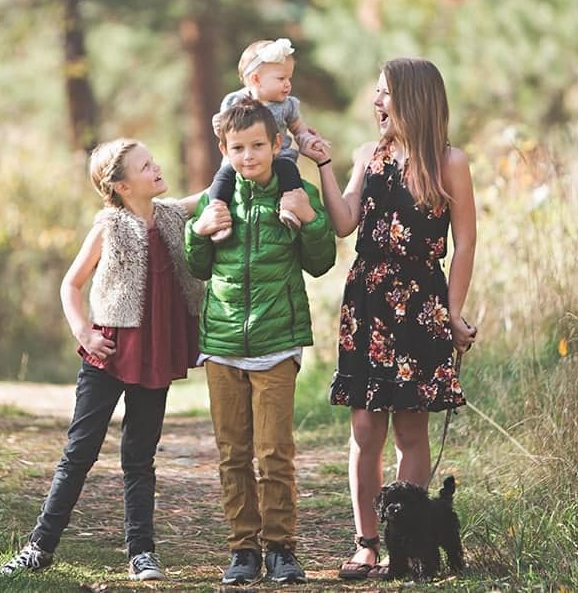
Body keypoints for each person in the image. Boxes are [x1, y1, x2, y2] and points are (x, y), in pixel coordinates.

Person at [298, 58, 478, 580]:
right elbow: (345, 221)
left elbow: (464, 241)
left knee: (411, 431)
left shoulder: (449, 162)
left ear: (414, 99)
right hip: (369, 302)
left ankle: (411, 546)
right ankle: (367, 544)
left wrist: (453, 312)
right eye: (375, 93)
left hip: (422, 304)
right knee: (364, 427)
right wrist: (324, 166)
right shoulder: (366, 156)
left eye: (384, 94)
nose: (375, 102)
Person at [0, 139, 204, 582]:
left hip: (154, 352)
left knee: (139, 455)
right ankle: (39, 546)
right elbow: (70, 285)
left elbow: (210, 193)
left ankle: (141, 552)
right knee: (80, 452)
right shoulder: (108, 227)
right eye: (147, 166)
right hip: (107, 353)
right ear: (124, 186)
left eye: (154, 160)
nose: (157, 167)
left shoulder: (170, 216)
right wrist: (84, 332)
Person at [185, 97, 336, 585]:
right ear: (224, 149)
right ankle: (243, 550)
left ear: (276, 144)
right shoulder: (217, 200)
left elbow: (320, 262)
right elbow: (198, 267)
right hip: (223, 344)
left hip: (277, 342)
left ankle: (281, 549)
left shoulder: (294, 192)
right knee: (232, 453)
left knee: (274, 453)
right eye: (237, 148)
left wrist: (309, 219)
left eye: (256, 146)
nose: (248, 156)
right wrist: (198, 232)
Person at [204, 38, 329, 242]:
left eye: (289, 78)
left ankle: (290, 208)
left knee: (289, 172)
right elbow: (226, 132)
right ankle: (218, 212)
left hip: (278, 157)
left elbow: (298, 128)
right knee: (223, 176)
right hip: (240, 160)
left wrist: (307, 137)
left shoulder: (288, 105)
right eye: (281, 78)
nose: (288, 84)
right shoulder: (234, 102)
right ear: (256, 79)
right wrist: (218, 125)